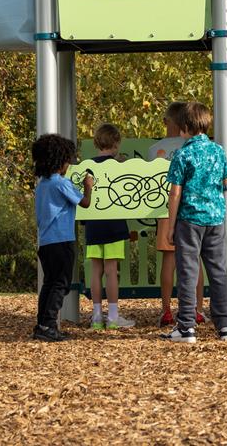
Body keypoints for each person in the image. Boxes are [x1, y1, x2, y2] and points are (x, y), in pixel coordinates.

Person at [159, 102, 227, 342]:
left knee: (188, 272)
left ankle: (186, 327)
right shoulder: (218, 151)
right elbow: (226, 183)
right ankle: (225, 326)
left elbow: (175, 193)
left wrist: (171, 226)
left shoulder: (183, 154)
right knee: (218, 271)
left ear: (184, 128)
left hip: (189, 220)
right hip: (215, 218)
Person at [31, 133, 94, 342]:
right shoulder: (61, 184)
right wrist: (88, 186)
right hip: (62, 241)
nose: (69, 164)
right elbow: (85, 203)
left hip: (46, 243)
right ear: (60, 162)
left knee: (50, 283)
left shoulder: (42, 185)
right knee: (61, 284)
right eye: (68, 160)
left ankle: (42, 324)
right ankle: (48, 326)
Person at [147, 102, 204, 329]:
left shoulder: (155, 149)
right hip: (191, 209)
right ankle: (197, 310)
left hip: (164, 209)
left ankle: (166, 310)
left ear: (168, 122)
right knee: (195, 260)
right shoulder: (191, 146)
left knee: (169, 261)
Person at [82, 123, 136, 330]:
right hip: (114, 224)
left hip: (94, 224)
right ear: (116, 143)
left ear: (97, 142)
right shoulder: (118, 166)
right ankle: (113, 315)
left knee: (96, 270)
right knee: (111, 270)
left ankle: (96, 316)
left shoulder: (88, 166)